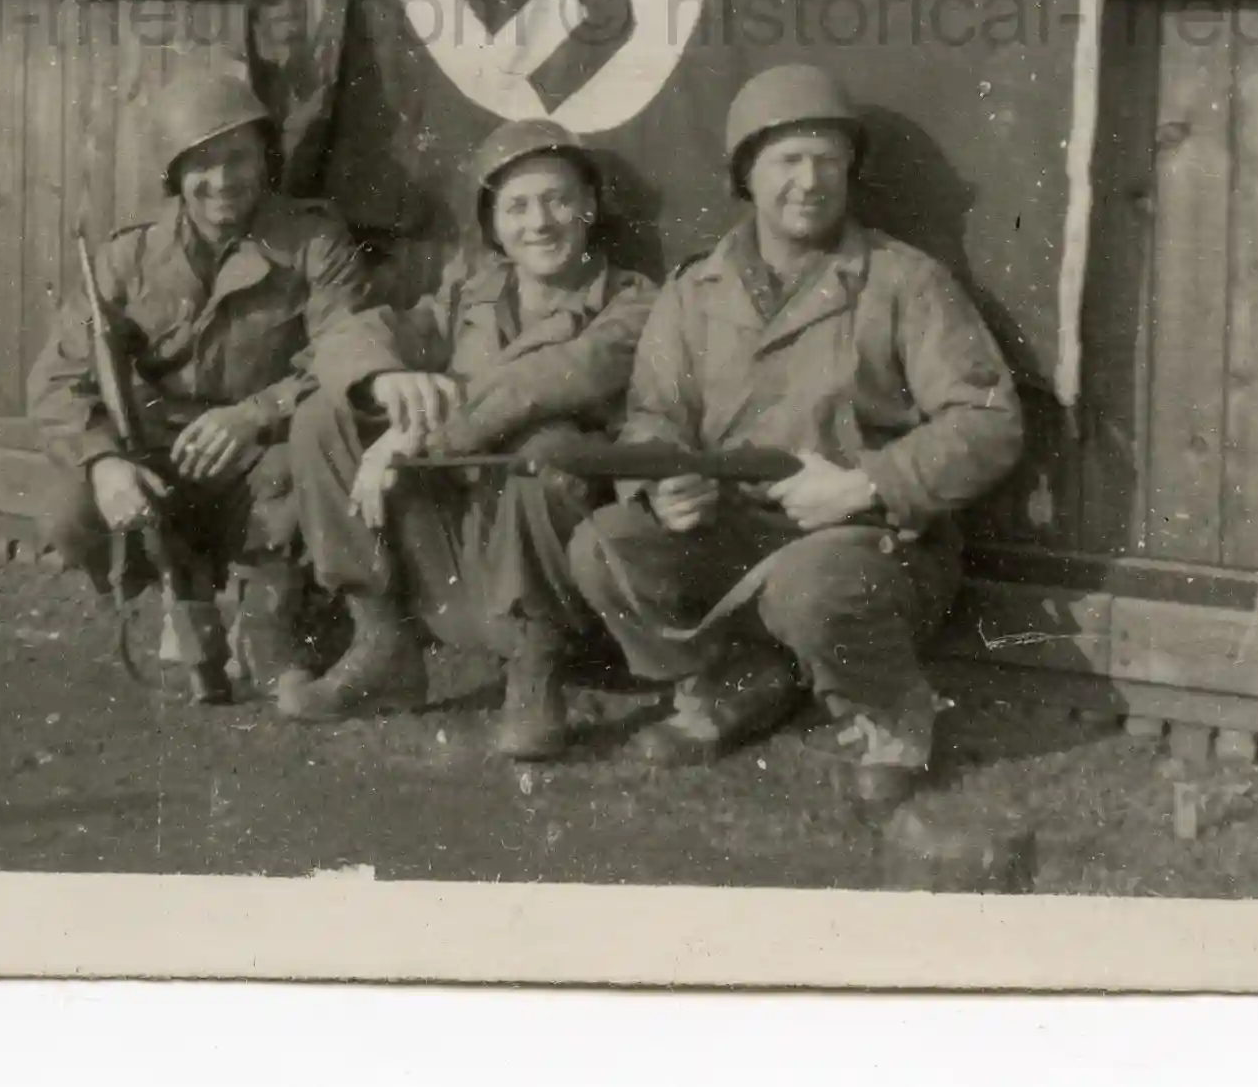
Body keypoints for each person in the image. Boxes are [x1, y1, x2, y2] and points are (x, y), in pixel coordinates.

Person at [566, 64, 1025, 807]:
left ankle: (891, 716)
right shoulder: (694, 291)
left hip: (868, 543)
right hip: (732, 529)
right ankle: (740, 678)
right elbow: (652, 414)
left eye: (826, 159)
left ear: (849, 170)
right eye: (786, 160)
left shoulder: (903, 281)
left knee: (809, 585)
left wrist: (866, 482)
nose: (808, 180)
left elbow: (988, 420)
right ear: (747, 173)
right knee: (604, 544)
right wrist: (661, 482)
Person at [275, 120, 658, 760]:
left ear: (590, 207)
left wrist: (415, 437)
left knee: (549, 446)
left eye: (558, 200)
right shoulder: (470, 294)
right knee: (324, 415)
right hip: (449, 546)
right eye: (516, 206)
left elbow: (542, 383)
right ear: (494, 225)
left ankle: (537, 672)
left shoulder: (633, 302)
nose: (539, 222)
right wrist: (384, 380)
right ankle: (382, 645)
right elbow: (357, 334)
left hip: (544, 559)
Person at [25, 65, 372, 705]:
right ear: (175, 174)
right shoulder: (128, 257)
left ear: (266, 159)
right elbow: (56, 378)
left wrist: (254, 414)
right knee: (70, 513)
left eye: (238, 157)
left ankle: (268, 613)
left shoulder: (314, 241)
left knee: (298, 475)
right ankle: (176, 595)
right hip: (160, 451)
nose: (222, 181)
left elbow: (345, 347)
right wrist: (105, 464)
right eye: (201, 164)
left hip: (261, 449)